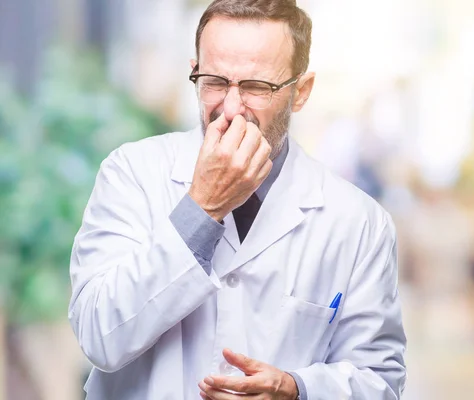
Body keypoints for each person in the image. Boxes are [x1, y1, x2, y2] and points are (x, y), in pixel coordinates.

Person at [68, 1, 407, 399]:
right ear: (194, 71)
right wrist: (202, 207)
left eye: (255, 87)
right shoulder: (131, 174)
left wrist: (297, 389)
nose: (230, 109)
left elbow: (379, 382)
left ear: (301, 92)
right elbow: (98, 335)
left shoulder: (359, 222)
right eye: (214, 81)